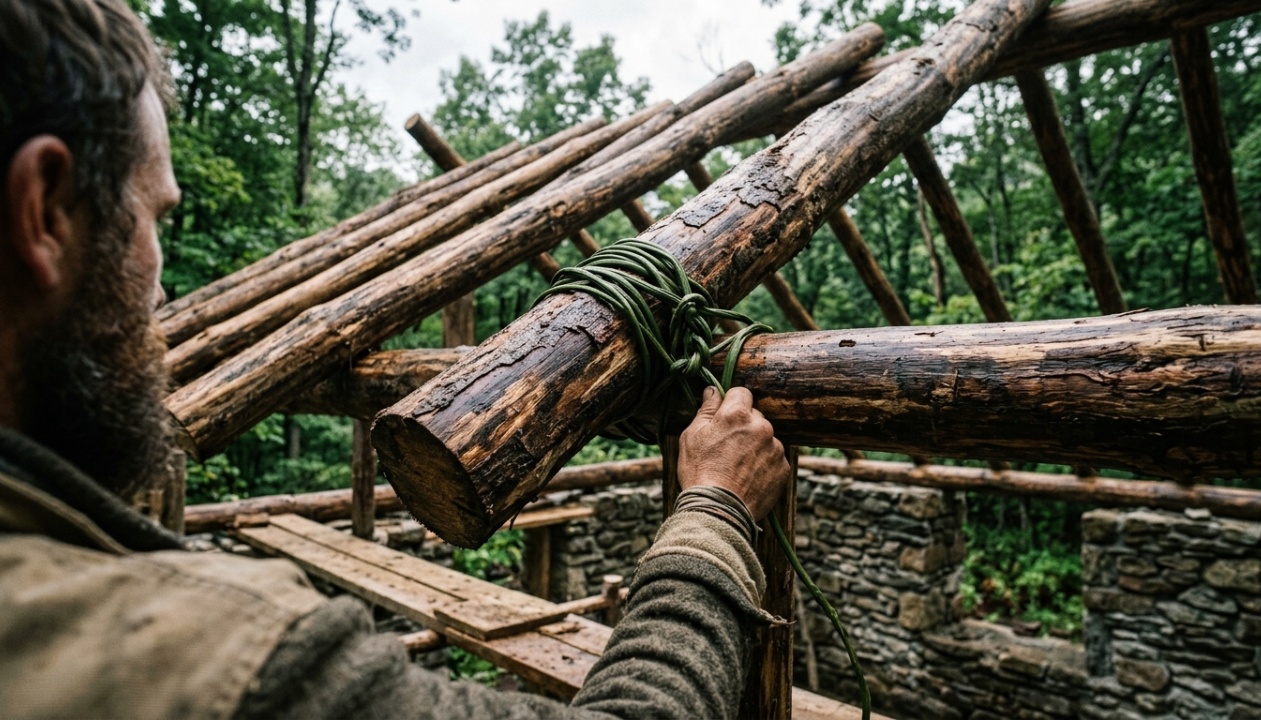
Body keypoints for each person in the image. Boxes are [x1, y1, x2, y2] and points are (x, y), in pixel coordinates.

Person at [0, 1, 793, 717]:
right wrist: (715, 510)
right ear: (44, 210)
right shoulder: (216, 661)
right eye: (154, 215)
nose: (166, 288)